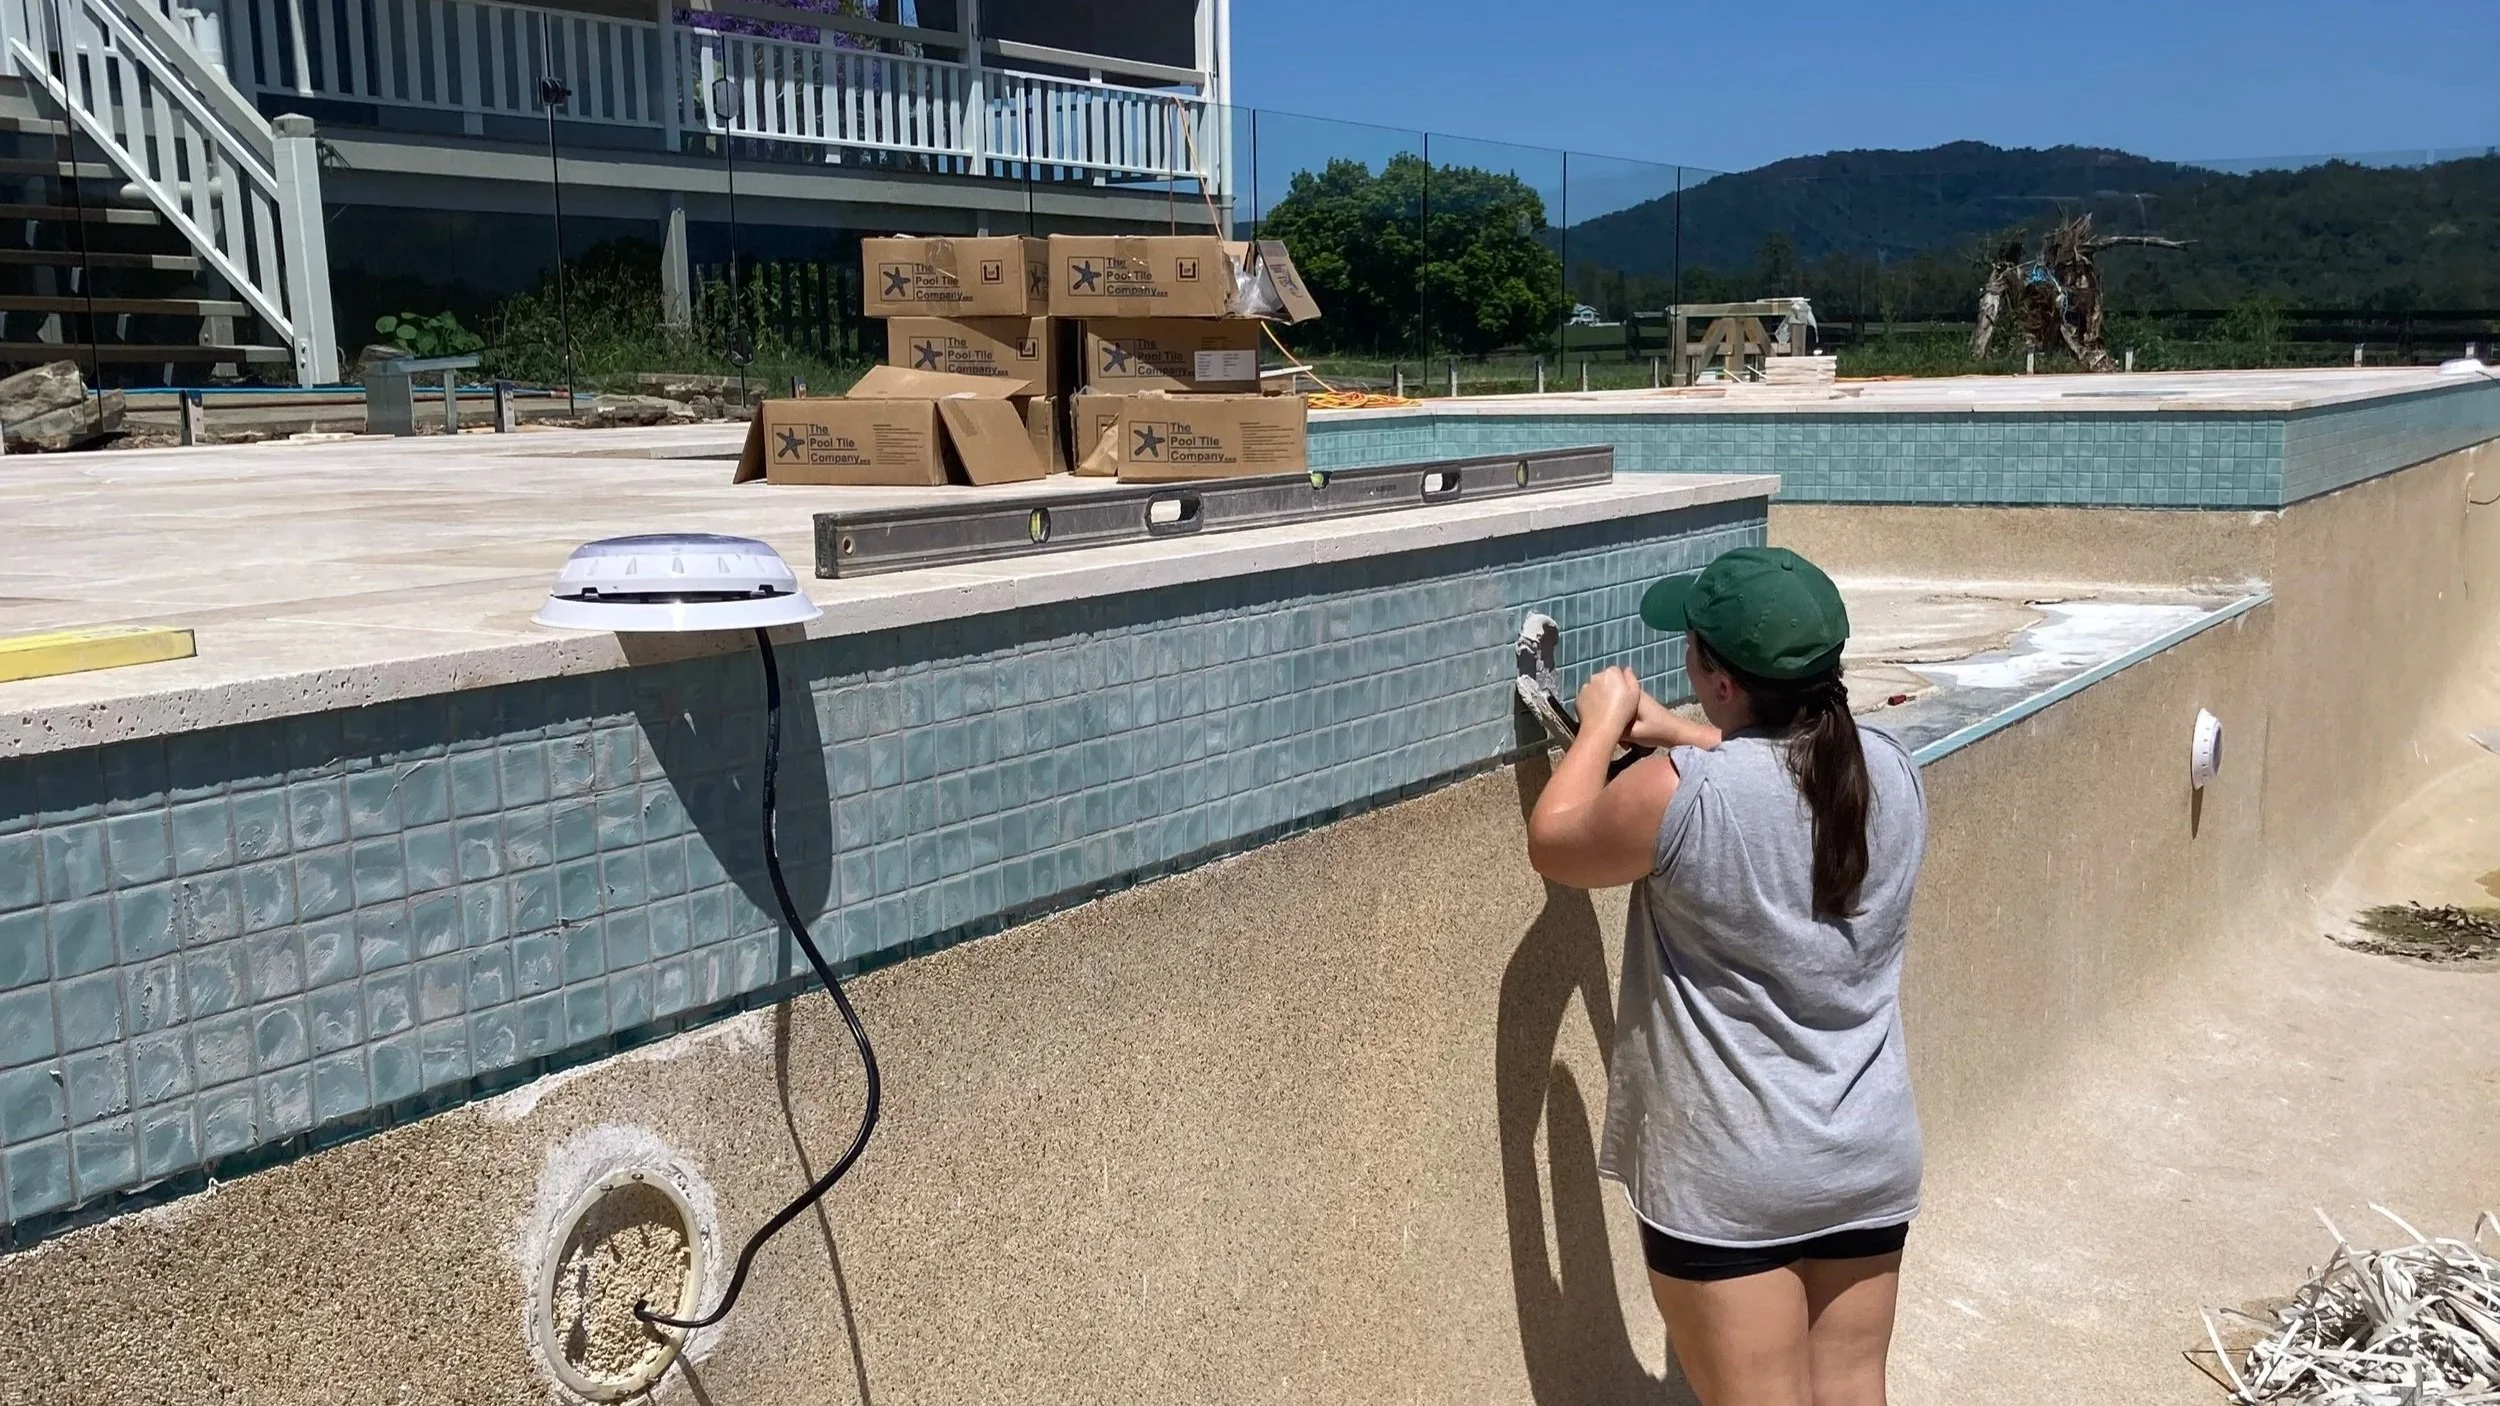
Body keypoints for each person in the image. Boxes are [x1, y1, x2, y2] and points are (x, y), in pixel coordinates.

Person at [1524, 546, 1928, 1406]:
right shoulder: (1890, 767)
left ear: (1718, 680)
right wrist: (1682, 732)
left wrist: (1602, 722)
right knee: (1853, 1388)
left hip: (1732, 1175)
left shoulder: (1683, 796)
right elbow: (1789, 767)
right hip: (1866, 1155)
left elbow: (1555, 844)